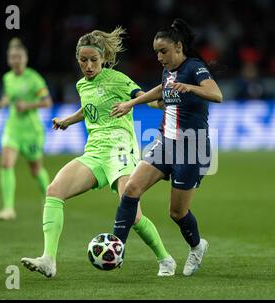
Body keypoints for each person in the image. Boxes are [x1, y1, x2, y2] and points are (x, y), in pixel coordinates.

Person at [20, 27, 175, 278]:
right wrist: (68, 121)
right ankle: (48, 259)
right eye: (84, 60)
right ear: (78, 60)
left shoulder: (117, 79)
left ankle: (165, 259)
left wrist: (166, 101)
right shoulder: (82, 85)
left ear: (103, 58)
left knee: (132, 214)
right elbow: (88, 109)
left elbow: (143, 97)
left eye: (94, 60)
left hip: (121, 149)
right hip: (94, 152)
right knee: (54, 191)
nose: (89, 65)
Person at [110, 19, 223, 276]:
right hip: (164, 141)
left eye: (164, 52)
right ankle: (116, 249)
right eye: (156, 53)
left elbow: (217, 95)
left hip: (192, 147)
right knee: (131, 189)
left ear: (179, 47)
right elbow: (163, 88)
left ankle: (196, 246)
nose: (159, 57)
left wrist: (190, 87)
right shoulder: (168, 70)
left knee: (176, 212)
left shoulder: (194, 68)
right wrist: (132, 103)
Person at [0, 38, 52, 221]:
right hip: (13, 128)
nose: (16, 60)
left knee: (35, 170)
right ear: (9, 60)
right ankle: (8, 208)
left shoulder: (34, 79)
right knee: (5, 163)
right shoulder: (7, 78)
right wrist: (0, 104)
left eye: (19, 56)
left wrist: (27, 105)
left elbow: (47, 102)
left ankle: (49, 201)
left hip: (31, 131)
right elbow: (9, 97)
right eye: (12, 57)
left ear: (25, 59)